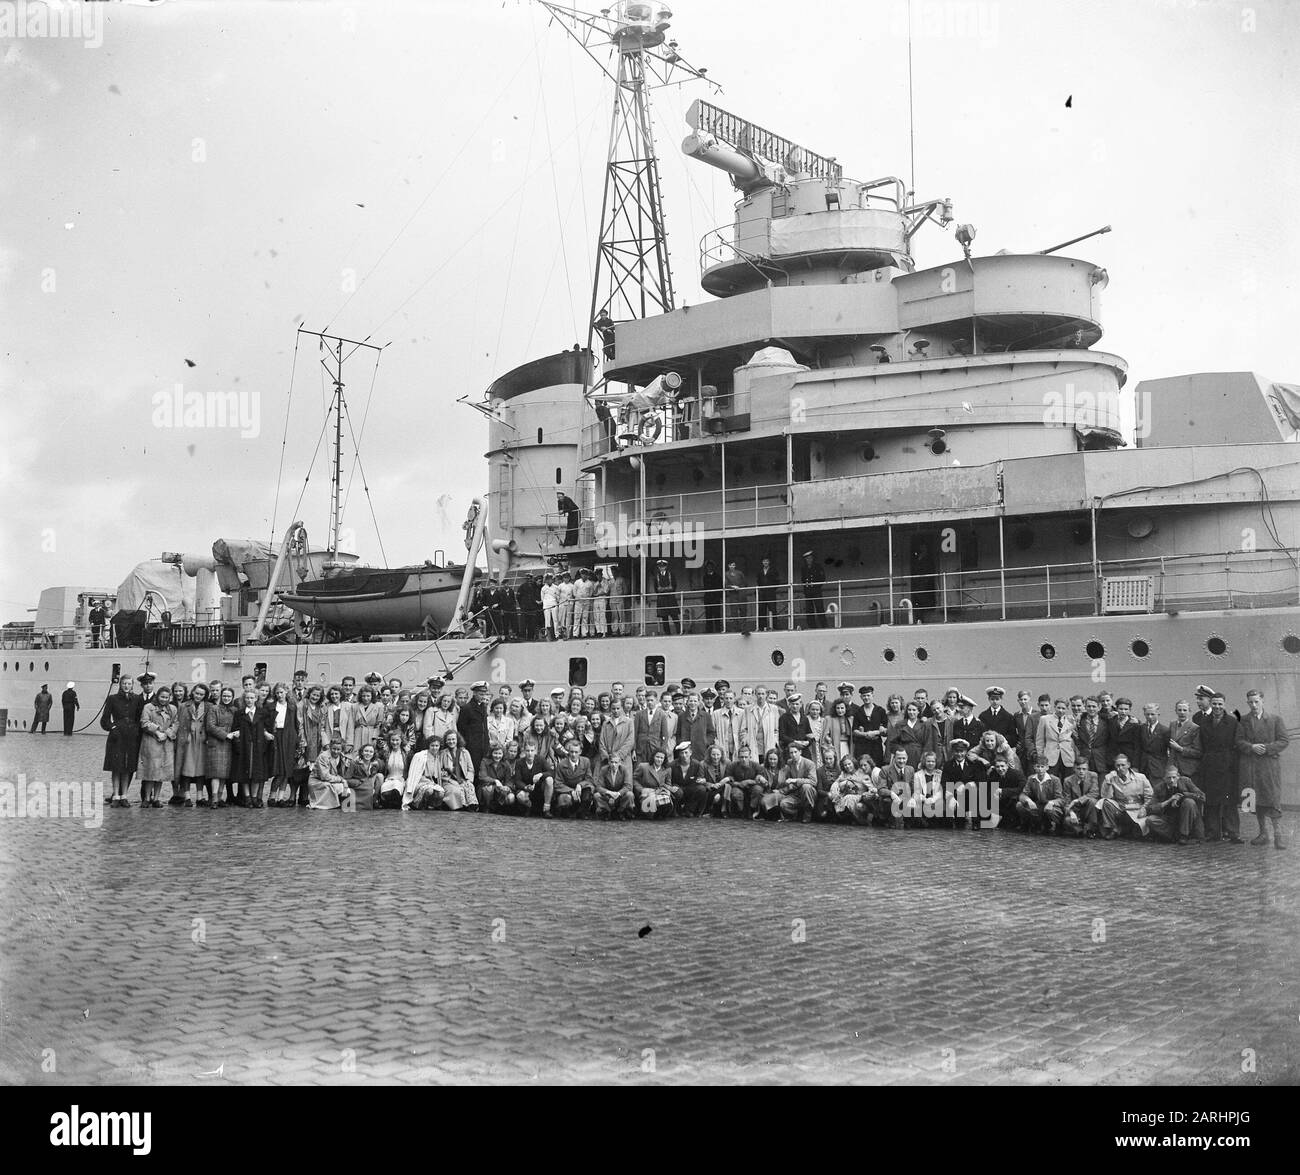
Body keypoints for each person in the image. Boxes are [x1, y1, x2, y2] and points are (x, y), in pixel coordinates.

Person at [1237, 688, 1289, 849]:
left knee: (1272, 800)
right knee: (1256, 801)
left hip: (1269, 767)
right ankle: (1263, 833)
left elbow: (1284, 740)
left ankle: (1278, 836)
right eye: (1250, 702)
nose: (1254, 705)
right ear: (1247, 703)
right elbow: (1238, 741)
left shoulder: (1275, 719)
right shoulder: (1243, 720)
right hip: (1252, 766)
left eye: (1256, 701)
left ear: (1262, 701)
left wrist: (1267, 748)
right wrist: (1251, 747)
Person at [1198, 692, 1241, 843]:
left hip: (1227, 766)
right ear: (1211, 704)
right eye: (1214, 704)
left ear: (1224, 704)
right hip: (1210, 765)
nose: (1217, 707)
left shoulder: (1232, 722)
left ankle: (1233, 833)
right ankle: (1213, 833)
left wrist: (1231, 763)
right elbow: (1202, 744)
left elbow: (1237, 744)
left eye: (1220, 704)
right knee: (1211, 801)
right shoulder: (1204, 722)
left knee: (1230, 801)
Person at [102, 674, 144, 807]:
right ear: (120, 684)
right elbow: (105, 719)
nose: (126, 686)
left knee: (127, 767)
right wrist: (113, 728)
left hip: (131, 737)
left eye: (129, 684)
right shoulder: (112, 699)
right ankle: (115, 795)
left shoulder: (137, 699)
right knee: (116, 767)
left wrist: (136, 730)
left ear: (132, 685)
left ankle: (124, 795)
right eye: (124, 683)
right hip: (117, 737)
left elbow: (139, 717)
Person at [1146, 763, 1206, 845]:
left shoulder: (1185, 781)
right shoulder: (1159, 788)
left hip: (1186, 819)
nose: (1171, 780)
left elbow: (1202, 796)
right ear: (1164, 778)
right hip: (1169, 820)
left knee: (1189, 802)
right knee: (1150, 820)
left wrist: (1183, 795)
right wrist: (1169, 800)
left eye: (1174, 777)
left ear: (1178, 776)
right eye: (1169, 778)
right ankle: (1174, 836)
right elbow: (1150, 808)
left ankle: (1184, 836)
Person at [1097, 753, 1153, 840]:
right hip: (1120, 808)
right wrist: (1108, 782)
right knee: (1105, 802)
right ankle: (1113, 829)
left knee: (1138, 833)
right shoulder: (1112, 777)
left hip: (1136, 809)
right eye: (1118, 765)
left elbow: (1150, 797)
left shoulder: (1140, 777)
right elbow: (1105, 796)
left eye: (1123, 765)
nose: (1120, 768)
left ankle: (1121, 830)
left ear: (1128, 765)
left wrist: (1144, 808)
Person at [138, 686, 177, 808]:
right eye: (162, 697)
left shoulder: (172, 709)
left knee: (161, 773)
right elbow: (144, 722)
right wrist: (157, 731)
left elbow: (176, 723)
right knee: (150, 771)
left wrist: (167, 733)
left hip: (166, 743)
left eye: (166, 697)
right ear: (157, 696)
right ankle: (147, 798)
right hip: (151, 742)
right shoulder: (148, 707)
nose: (164, 699)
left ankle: (156, 798)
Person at [172, 681, 209, 808]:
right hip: (188, 740)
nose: (198, 696)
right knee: (186, 768)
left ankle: (200, 796)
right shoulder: (184, 706)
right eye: (197, 693)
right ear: (193, 692)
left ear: (205, 695)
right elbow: (179, 722)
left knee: (200, 769)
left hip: (202, 741)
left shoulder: (208, 706)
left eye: (201, 694)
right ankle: (187, 796)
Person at [230, 687, 268, 807]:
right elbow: (235, 729)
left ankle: (254, 797)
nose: (249, 700)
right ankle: (247, 797)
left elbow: (266, 729)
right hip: (244, 747)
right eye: (247, 698)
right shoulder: (239, 713)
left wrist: (264, 742)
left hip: (258, 747)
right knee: (244, 773)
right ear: (244, 699)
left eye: (252, 698)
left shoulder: (262, 713)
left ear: (256, 699)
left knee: (257, 773)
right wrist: (238, 743)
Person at [205, 685, 237, 807]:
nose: (226, 698)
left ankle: (219, 798)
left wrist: (235, 733)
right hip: (217, 743)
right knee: (216, 773)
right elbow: (210, 726)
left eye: (229, 696)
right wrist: (225, 734)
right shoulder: (214, 709)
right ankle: (214, 799)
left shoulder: (234, 710)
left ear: (232, 697)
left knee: (224, 774)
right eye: (224, 696)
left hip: (229, 744)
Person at [308, 737, 354, 811]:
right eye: (333, 749)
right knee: (339, 787)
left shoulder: (342, 757)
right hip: (318, 782)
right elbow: (324, 776)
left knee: (347, 789)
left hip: (332, 780)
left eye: (338, 749)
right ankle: (333, 804)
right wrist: (341, 780)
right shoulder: (323, 756)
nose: (336, 751)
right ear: (330, 747)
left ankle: (340, 805)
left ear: (342, 749)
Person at [1035, 698, 1075, 779]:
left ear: (1067, 709)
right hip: (1050, 756)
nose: (1060, 710)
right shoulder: (1045, 719)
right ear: (1054, 707)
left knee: (1067, 780)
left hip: (1067, 756)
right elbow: (1040, 740)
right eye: (1058, 708)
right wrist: (1041, 757)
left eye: (1063, 708)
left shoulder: (1071, 720)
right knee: (1051, 779)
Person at [633, 748, 675, 818]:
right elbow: (634, 779)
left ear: (664, 759)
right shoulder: (643, 766)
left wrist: (666, 791)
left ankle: (661, 813)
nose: (659, 760)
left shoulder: (667, 769)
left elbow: (668, 784)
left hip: (660, 792)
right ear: (653, 757)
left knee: (666, 801)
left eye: (661, 758)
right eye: (657, 757)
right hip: (647, 793)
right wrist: (641, 789)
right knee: (651, 809)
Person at [1136, 703, 1171, 781]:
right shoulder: (1141, 728)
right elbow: (1138, 748)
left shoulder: (1164, 730)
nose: (1150, 717)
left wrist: (1168, 768)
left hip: (1158, 766)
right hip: (1143, 766)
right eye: (1147, 714)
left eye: (1152, 714)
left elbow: (1170, 750)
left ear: (1158, 714)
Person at [799, 550, 825, 629]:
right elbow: (803, 578)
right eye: (807, 559)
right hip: (808, 591)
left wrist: (817, 586)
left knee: (819, 608)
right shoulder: (804, 568)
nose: (808, 560)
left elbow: (822, 578)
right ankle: (812, 626)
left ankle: (824, 625)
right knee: (809, 609)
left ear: (812, 558)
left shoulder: (818, 566)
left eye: (810, 558)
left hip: (816, 590)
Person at [652, 559, 678, 635]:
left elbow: (674, 585)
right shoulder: (656, 576)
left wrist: (667, 591)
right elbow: (655, 588)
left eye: (663, 566)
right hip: (662, 599)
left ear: (666, 567)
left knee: (674, 616)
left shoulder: (671, 574)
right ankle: (667, 633)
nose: (661, 568)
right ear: (658, 567)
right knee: (664, 617)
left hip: (670, 598)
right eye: (660, 566)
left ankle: (679, 631)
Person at [700, 560, 723, 633]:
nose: (709, 568)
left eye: (710, 566)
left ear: (713, 567)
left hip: (715, 598)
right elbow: (706, 587)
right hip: (708, 598)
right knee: (708, 614)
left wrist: (719, 596)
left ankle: (718, 629)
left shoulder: (718, 576)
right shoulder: (705, 577)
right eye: (708, 567)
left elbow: (720, 587)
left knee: (717, 614)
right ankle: (709, 630)